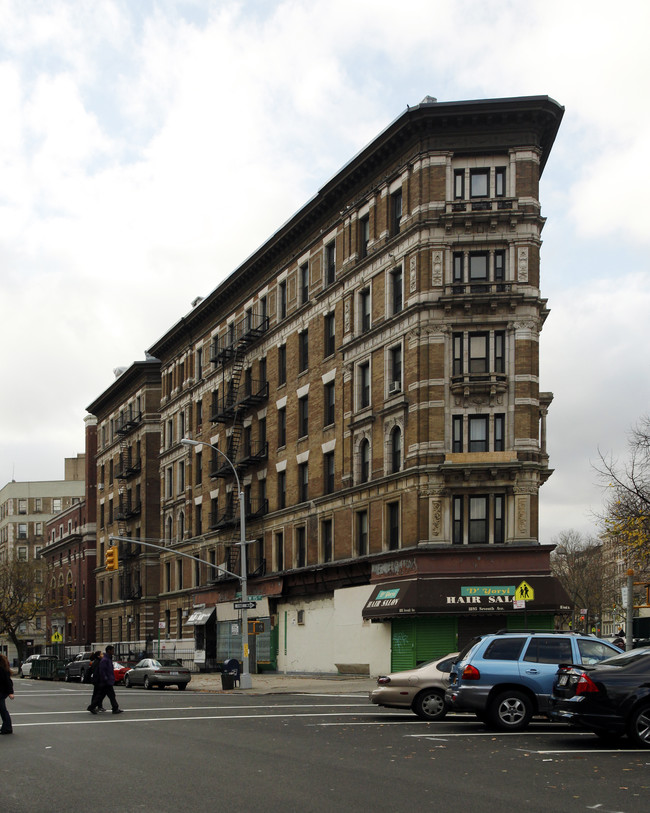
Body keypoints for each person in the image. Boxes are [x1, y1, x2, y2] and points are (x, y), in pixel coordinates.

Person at [88, 645, 123, 715]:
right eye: (112, 650)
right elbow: (102, 671)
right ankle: (115, 708)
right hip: (106, 681)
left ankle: (92, 707)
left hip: (107, 681)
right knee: (110, 695)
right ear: (109, 651)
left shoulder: (108, 659)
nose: (113, 652)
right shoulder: (105, 660)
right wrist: (106, 678)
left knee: (102, 695)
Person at [0, 653, 14, 735]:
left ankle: (7, 728)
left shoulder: (2, 670)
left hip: (2, 692)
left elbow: (7, 682)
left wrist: (10, 692)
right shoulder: (3, 669)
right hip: (2, 691)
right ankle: (6, 727)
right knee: (2, 710)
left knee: (3, 710)